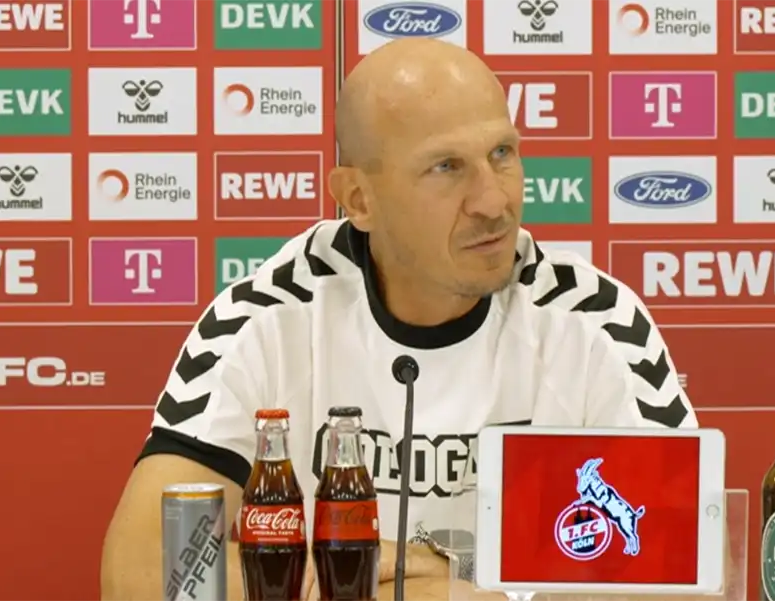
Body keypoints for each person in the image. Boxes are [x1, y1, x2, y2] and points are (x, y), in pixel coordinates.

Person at [100, 38, 699, 601]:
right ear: (359, 199)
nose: (493, 202)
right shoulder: (265, 319)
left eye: (502, 154)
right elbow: (144, 570)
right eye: (445, 168)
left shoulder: (595, 321)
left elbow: (680, 567)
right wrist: (358, 580)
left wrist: (454, 581)